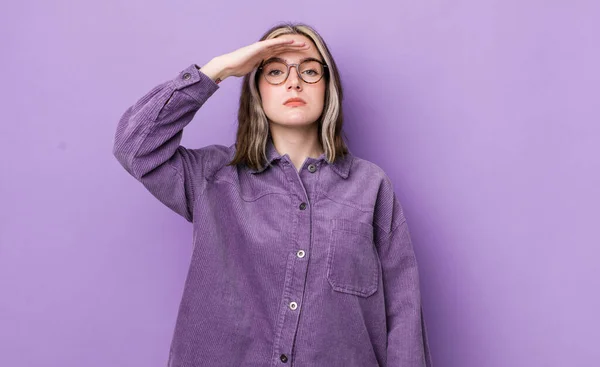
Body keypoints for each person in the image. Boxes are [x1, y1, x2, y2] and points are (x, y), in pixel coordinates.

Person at [113, 22, 432, 367]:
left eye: (310, 71)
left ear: (328, 87)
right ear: (257, 89)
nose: (294, 82)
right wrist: (218, 70)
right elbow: (135, 146)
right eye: (276, 71)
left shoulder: (371, 187)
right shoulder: (212, 177)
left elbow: (403, 317)